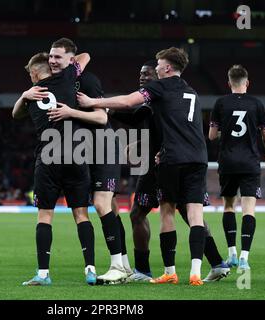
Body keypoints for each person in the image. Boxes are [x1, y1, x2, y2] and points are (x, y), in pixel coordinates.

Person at [78, 47, 208, 286]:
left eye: (159, 64)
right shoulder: (191, 91)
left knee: (167, 211)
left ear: (167, 68)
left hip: (172, 158)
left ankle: (170, 271)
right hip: (199, 157)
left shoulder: (161, 86)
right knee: (195, 214)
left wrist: (93, 101)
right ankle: (196, 272)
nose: (156, 68)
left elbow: (129, 102)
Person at [113, 60, 229, 283]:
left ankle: (145, 270)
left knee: (147, 213)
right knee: (188, 213)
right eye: (141, 74)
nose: (143, 78)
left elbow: (135, 116)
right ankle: (216, 262)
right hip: (177, 159)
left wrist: (106, 108)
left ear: (160, 79)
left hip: (163, 164)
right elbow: (146, 122)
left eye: (148, 74)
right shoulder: (171, 99)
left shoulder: (159, 96)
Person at [47, 38, 131, 284]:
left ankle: (117, 266)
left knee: (101, 203)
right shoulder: (57, 84)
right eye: (50, 56)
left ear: (71, 61)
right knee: (110, 208)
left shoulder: (86, 81)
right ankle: (124, 263)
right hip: (83, 152)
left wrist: (71, 112)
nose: (52, 61)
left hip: (102, 146)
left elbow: (101, 119)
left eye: (57, 57)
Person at [12, 51, 98, 286]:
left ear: (33, 74)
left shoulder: (30, 96)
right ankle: (90, 270)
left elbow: (15, 114)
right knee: (81, 214)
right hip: (75, 156)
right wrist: (63, 61)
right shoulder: (67, 78)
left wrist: (24, 95)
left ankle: (42, 274)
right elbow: (85, 56)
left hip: (48, 158)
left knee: (45, 215)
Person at [209, 65, 265, 270]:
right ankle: (245, 258)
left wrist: (225, 134)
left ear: (229, 83)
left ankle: (232, 254)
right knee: (249, 209)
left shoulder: (220, 103)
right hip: (249, 162)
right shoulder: (256, 104)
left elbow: (211, 136)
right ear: (247, 83)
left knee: (229, 206)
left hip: (227, 162)